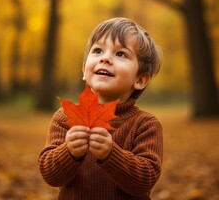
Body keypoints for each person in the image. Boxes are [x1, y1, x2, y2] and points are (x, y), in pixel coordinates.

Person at [38, 17, 163, 200]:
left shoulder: (145, 124)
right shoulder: (65, 117)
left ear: (140, 80)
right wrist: (69, 151)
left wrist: (111, 154)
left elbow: (145, 180)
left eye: (120, 54)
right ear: (83, 70)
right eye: (98, 50)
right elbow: (50, 176)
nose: (105, 58)